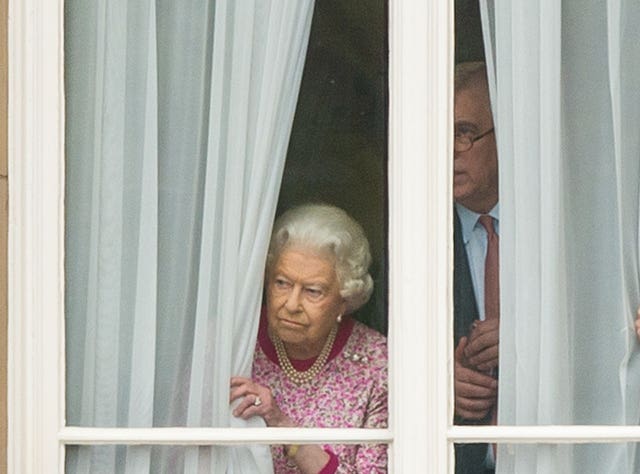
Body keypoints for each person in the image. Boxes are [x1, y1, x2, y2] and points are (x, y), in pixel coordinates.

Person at [230, 203, 388, 473]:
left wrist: (281, 425)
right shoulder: (233, 342)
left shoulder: (375, 362)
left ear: (345, 300)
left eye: (313, 291)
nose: (291, 304)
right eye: (282, 283)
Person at [453, 61, 500, 474]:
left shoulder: (568, 234)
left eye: (463, 133)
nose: (447, 149)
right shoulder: (409, 240)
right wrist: (430, 383)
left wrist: (534, 348)